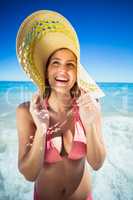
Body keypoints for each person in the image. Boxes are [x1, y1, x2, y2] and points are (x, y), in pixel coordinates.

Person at [16, 10, 106, 200]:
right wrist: (41, 129)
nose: (62, 71)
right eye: (55, 63)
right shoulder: (26, 112)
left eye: (70, 64)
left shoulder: (90, 106)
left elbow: (97, 163)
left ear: (77, 71)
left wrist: (89, 123)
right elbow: (29, 174)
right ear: (46, 69)